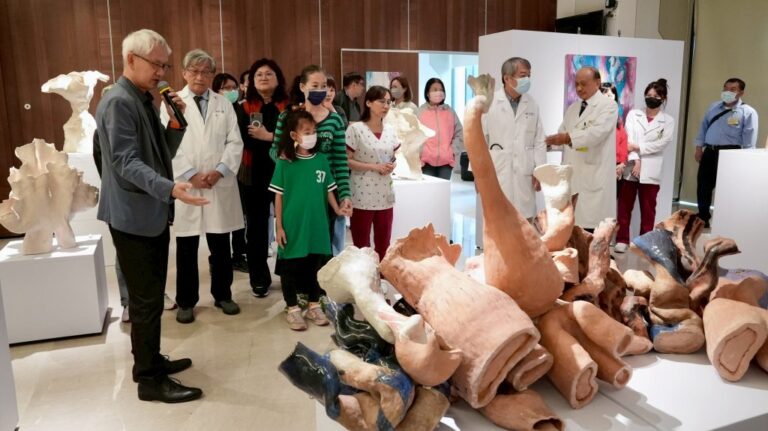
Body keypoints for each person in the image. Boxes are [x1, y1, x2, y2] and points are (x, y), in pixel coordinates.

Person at [96, 29, 207, 403]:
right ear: (131, 59)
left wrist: (175, 122)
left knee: (151, 297)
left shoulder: (142, 98)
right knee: (145, 301)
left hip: (149, 212)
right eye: (156, 64)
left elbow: (160, 153)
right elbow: (125, 161)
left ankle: (149, 360)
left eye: (164, 65)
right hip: (133, 215)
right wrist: (169, 188)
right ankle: (149, 380)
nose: (161, 72)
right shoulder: (119, 102)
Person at [160, 49, 244, 323]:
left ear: (212, 75)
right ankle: (186, 301)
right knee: (186, 246)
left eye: (206, 72)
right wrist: (191, 174)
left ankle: (223, 295)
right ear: (184, 73)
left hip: (218, 183)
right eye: (194, 71)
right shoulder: (172, 103)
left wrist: (219, 171)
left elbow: (235, 142)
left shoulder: (223, 104)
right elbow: (167, 144)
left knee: (221, 245)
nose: (199, 76)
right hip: (188, 184)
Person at [269, 109, 348, 331]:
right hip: (292, 225)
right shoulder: (285, 162)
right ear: (294, 135)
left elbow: (329, 190)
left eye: (313, 131)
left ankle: (314, 304)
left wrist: (337, 209)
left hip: (318, 224)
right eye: (307, 132)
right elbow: (278, 196)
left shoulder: (321, 160)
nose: (312, 135)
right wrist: (279, 226)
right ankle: (292, 308)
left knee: (316, 265)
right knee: (290, 266)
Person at [272, 65, 353, 255]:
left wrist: (345, 195)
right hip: (295, 191)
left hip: (324, 192)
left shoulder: (335, 121)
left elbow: (341, 162)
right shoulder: (287, 116)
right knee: (294, 242)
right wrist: (284, 155)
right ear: (302, 87)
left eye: (323, 86)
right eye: (314, 86)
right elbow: (274, 150)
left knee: (324, 245)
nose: (320, 90)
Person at [234, 58, 290, 297]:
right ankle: (259, 278)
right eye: (259, 75)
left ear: (278, 79)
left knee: (287, 225)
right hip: (253, 175)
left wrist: (268, 136)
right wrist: (274, 138)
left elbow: (294, 138)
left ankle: (287, 274)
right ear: (251, 81)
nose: (264, 78)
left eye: (269, 74)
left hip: (285, 174)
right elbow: (242, 140)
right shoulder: (244, 107)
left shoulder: (289, 107)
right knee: (256, 229)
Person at [545, 66, 618, 231]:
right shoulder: (573, 109)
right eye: (576, 84)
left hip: (595, 177)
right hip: (573, 177)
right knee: (571, 228)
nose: (579, 88)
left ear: (597, 82)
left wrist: (568, 138)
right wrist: (549, 142)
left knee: (592, 232)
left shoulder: (608, 106)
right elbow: (562, 135)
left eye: (583, 84)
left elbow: (596, 133)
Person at [614, 79, 675, 252]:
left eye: (655, 95)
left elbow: (661, 144)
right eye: (648, 95)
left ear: (663, 98)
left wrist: (639, 148)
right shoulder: (634, 115)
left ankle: (645, 242)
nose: (651, 98)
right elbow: (628, 141)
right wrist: (637, 160)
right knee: (624, 206)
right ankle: (622, 239)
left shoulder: (667, 121)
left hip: (652, 169)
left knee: (648, 209)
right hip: (631, 166)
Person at [482, 57, 546, 220]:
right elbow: (480, 140)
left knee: (525, 222)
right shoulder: (490, 102)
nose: (527, 80)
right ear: (507, 78)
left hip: (524, 173)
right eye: (523, 75)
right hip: (498, 172)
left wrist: (540, 170)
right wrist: (478, 175)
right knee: (499, 221)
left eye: (529, 75)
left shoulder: (532, 104)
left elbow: (539, 141)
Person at [694, 77, 758, 228]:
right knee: (703, 186)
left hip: (731, 154)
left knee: (727, 189)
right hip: (710, 151)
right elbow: (703, 128)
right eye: (725, 88)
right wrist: (698, 148)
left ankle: (726, 220)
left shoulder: (748, 112)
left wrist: (747, 160)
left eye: (732, 89)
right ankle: (703, 217)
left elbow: (749, 140)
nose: (727, 92)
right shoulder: (713, 107)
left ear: (741, 92)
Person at [346, 86, 398, 261]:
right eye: (381, 101)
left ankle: (382, 274)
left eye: (389, 102)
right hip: (362, 194)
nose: (386, 105)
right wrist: (374, 167)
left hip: (385, 194)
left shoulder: (390, 130)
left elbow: (393, 157)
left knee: (384, 243)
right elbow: (346, 160)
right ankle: (364, 275)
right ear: (368, 103)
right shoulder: (355, 129)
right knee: (362, 246)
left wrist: (391, 165)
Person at [213, 72, 248, 271]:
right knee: (221, 218)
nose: (232, 91)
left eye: (234, 88)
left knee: (239, 217)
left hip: (242, 169)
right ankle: (219, 257)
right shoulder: (215, 110)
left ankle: (239, 254)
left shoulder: (241, 109)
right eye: (226, 88)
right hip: (221, 169)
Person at [417, 78, 464, 180]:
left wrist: (452, 151)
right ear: (427, 93)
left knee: (443, 189)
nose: (438, 92)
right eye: (434, 89)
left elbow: (460, 133)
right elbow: (414, 136)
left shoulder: (450, 112)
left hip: (446, 162)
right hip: (426, 162)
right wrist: (421, 152)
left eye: (441, 89)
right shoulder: (420, 112)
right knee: (429, 189)